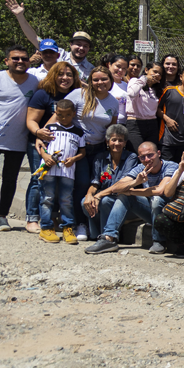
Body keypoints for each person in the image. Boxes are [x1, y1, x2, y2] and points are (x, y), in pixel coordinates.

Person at [0, 46, 40, 232]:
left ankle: (2, 217)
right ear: (7, 61)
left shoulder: (34, 81)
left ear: (30, 61)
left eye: (24, 59)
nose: (20, 61)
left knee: (10, 179)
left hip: (18, 141)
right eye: (15, 58)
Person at [63, 66, 118, 239]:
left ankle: (91, 222)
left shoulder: (113, 102)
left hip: (99, 150)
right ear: (90, 81)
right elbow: (60, 115)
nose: (100, 83)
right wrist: (44, 133)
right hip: (78, 148)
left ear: (110, 80)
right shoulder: (78, 95)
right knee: (81, 184)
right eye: (96, 79)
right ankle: (79, 224)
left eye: (104, 79)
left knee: (98, 184)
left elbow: (111, 128)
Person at [25, 62, 79, 234]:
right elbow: (31, 119)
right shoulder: (43, 94)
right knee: (38, 180)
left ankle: (52, 218)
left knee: (58, 183)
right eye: (61, 74)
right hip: (42, 144)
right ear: (53, 75)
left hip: (65, 145)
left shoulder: (76, 93)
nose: (65, 78)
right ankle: (32, 218)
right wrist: (38, 134)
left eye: (69, 74)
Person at [105, 141, 177, 254]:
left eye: (150, 155)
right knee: (124, 195)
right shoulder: (140, 168)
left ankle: (159, 241)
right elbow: (116, 188)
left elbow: (159, 191)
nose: (147, 159)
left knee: (156, 200)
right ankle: (108, 238)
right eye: (143, 157)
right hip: (153, 212)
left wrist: (132, 192)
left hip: (170, 215)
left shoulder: (171, 166)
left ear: (158, 153)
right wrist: (135, 182)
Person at [6, 0, 94, 81]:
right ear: (71, 44)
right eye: (78, 44)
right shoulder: (56, 52)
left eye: (85, 46)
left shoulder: (91, 70)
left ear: (89, 48)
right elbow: (34, 37)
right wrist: (20, 16)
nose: (81, 48)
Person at [36, 99, 85, 244]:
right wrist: (45, 156)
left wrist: (74, 159)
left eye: (67, 115)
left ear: (73, 114)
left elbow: (82, 152)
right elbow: (40, 145)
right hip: (48, 171)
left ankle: (68, 228)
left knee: (66, 200)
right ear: (55, 113)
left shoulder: (78, 132)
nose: (63, 118)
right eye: (60, 115)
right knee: (47, 198)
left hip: (67, 172)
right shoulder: (50, 128)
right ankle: (46, 228)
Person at [81, 124, 138, 248]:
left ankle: (107, 236)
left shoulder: (131, 158)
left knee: (105, 201)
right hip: (103, 195)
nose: (117, 143)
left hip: (121, 199)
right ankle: (95, 235)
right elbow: (95, 182)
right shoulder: (100, 158)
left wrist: (99, 195)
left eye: (120, 140)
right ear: (107, 141)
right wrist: (89, 195)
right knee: (84, 202)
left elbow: (122, 184)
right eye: (113, 140)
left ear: (125, 143)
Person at [158, 66, 184, 162]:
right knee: (167, 169)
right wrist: (167, 119)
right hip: (167, 140)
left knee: (183, 171)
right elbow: (156, 108)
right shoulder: (169, 91)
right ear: (181, 77)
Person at [125, 62, 164, 152]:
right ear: (146, 70)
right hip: (135, 124)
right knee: (137, 154)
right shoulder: (135, 81)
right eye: (155, 71)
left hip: (152, 125)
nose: (157, 75)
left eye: (160, 74)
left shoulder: (156, 90)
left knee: (151, 155)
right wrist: (145, 78)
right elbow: (131, 93)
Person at [104, 54, 129, 125]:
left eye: (124, 68)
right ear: (109, 65)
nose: (120, 70)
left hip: (124, 124)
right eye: (118, 66)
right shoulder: (104, 84)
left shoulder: (126, 85)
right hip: (109, 123)